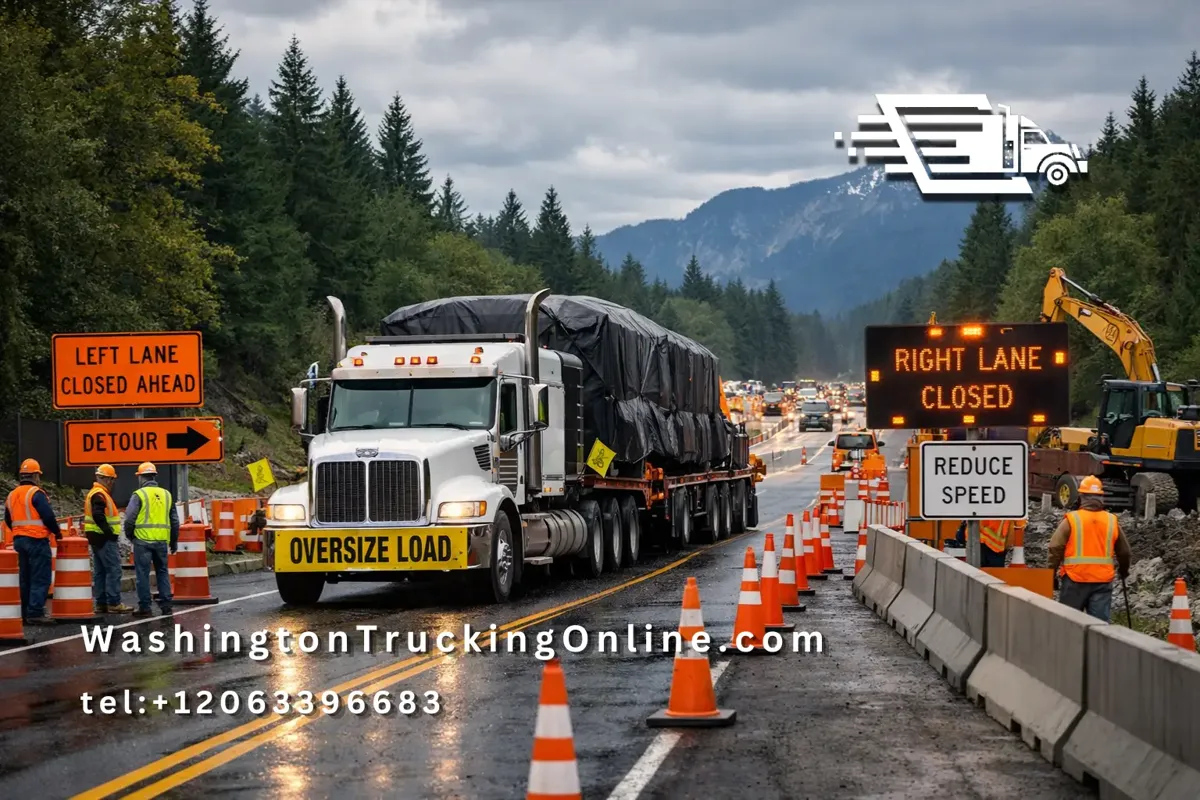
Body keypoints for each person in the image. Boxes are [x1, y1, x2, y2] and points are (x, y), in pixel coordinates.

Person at [1048, 475, 1132, 622]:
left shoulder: (1072, 519)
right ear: (1101, 497)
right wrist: (1124, 571)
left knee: (1068, 624)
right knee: (1099, 627)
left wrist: (1051, 573)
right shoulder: (1111, 520)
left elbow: (1055, 547)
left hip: (1075, 579)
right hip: (1102, 581)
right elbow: (1125, 552)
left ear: (1081, 497)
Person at [3, 459, 61, 625]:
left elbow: (8, 519)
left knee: (24, 577)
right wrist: (57, 532)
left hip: (19, 541)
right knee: (40, 577)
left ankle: (24, 611)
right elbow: (48, 516)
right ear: (35, 476)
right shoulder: (36, 493)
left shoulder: (12, 495)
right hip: (36, 540)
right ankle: (35, 612)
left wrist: (19, 531)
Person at [122, 462, 178, 618]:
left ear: (140, 477)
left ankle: (145, 607)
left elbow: (129, 518)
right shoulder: (167, 495)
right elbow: (174, 520)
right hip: (161, 541)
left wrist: (130, 535)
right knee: (162, 572)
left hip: (142, 541)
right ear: (154, 476)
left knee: (142, 574)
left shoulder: (139, 494)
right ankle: (166, 605)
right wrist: (174, 541)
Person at [84, 464, 133, 614]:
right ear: (106, 479)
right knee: (113, 570)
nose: (112, 483)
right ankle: (114, 602)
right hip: (104, 538)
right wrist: (109, 532)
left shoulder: (95, 493)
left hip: (95, 537)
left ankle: (101, 603)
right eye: (111, 479)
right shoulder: (100, 495)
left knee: (100, 572)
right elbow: (98, 514)